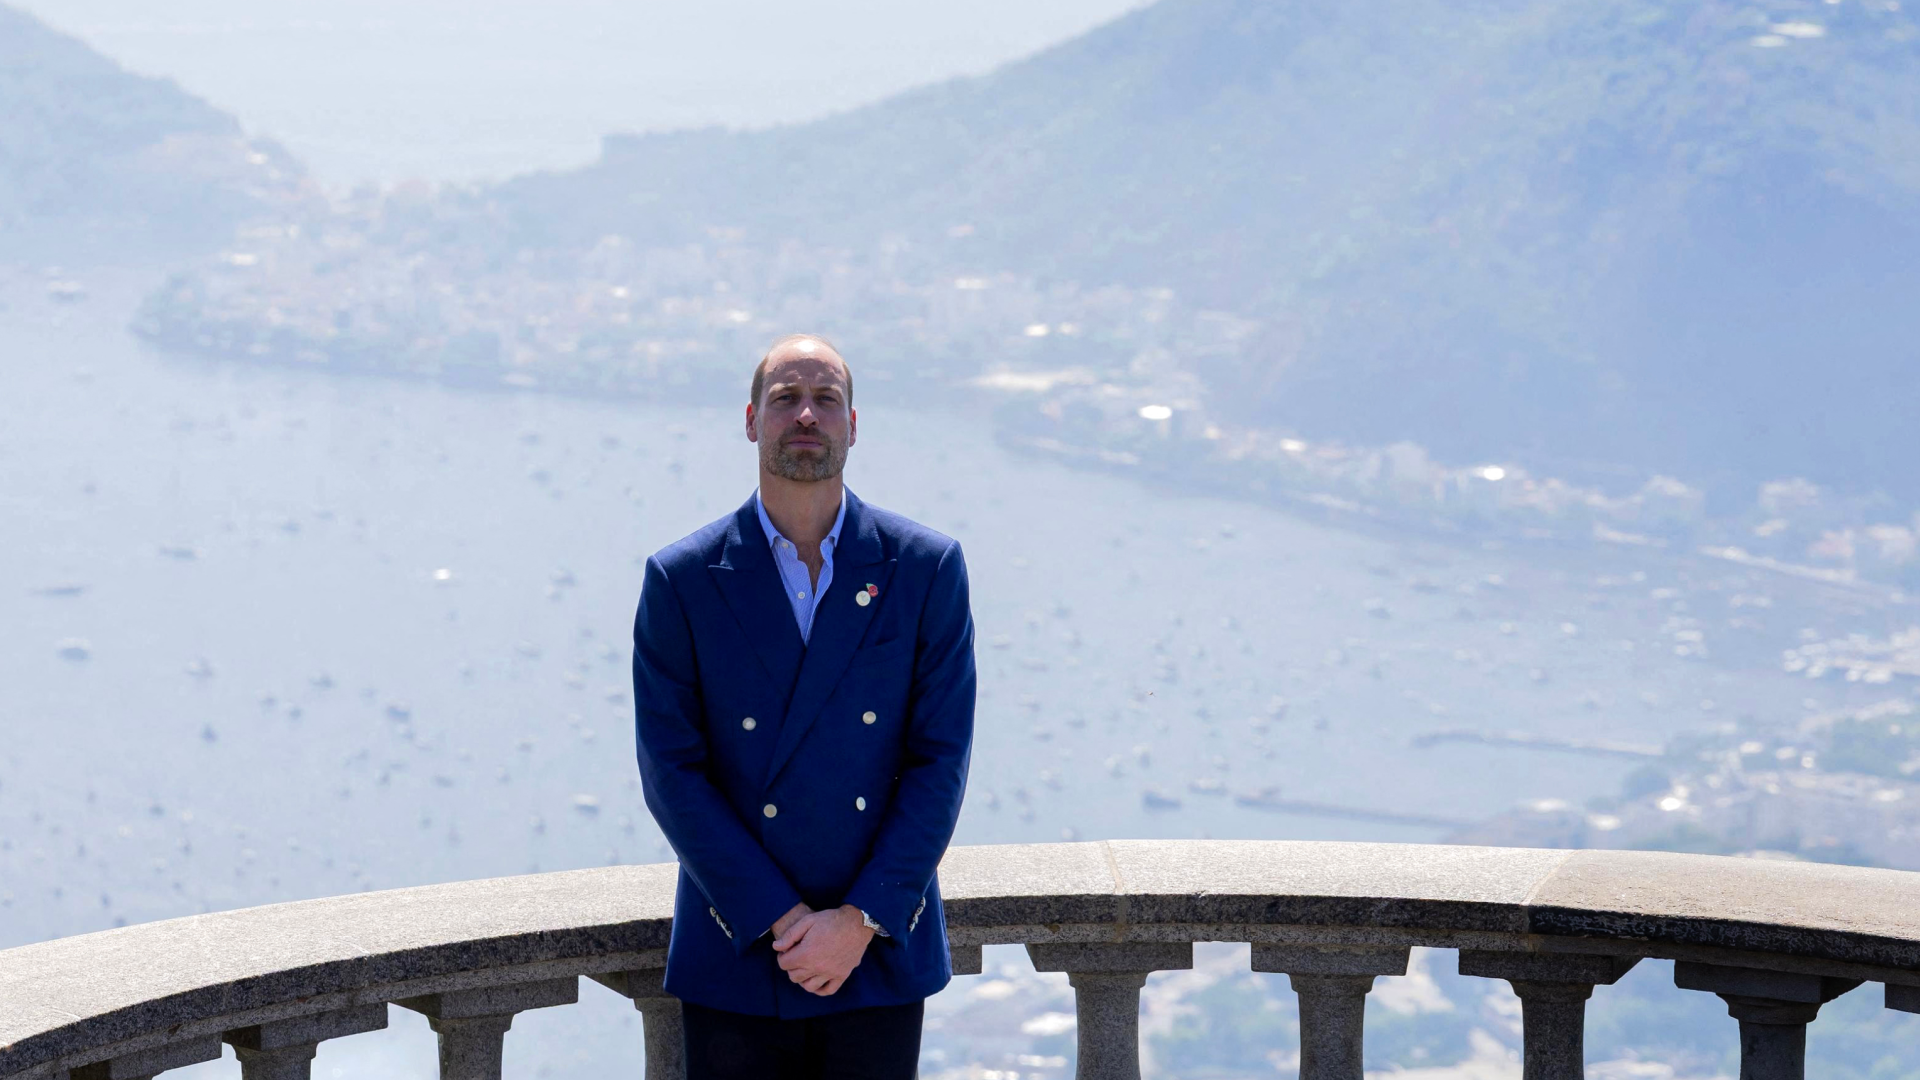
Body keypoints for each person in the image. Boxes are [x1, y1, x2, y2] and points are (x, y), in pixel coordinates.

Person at [630, 333, 977, 1079]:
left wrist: (856, 922)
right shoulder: (683, 579)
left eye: (826, 400)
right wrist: (782, 922)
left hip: (877, 948)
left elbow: (940, 759)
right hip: (741, 942)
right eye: (787, 399)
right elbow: (672, 772)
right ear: (752, 420)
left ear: (855, 423)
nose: (807, 416)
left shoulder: (925, 568)